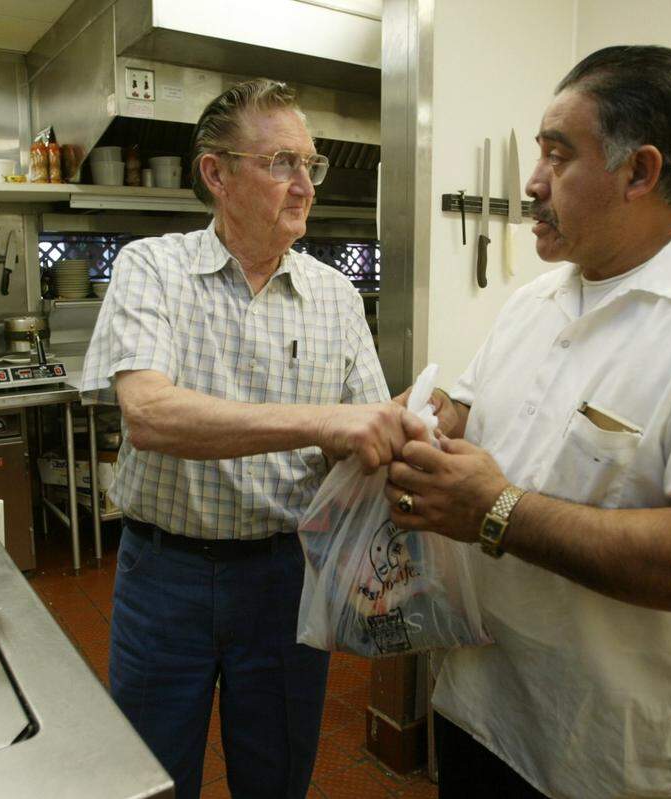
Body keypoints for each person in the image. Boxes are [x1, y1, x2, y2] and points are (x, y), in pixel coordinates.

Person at [384, 46, 671, 798]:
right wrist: (417, 430)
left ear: (640, 172)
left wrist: (497, 510)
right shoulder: (535, 303)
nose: (532, 182)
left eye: (558, 156)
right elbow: (465, 414)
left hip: (612, 764)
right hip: (478, 715)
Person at [80, 78, 411, 799]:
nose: (304, 186)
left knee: (277, 776)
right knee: (153, 777)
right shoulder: (153, 269)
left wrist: (405, 426)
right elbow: (150, 414)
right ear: (216, 174)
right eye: (282, 164)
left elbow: (357, 441)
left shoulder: (336, 296)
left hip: (285, 578)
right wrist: (320, 421)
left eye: (311, 166)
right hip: (166, 578)